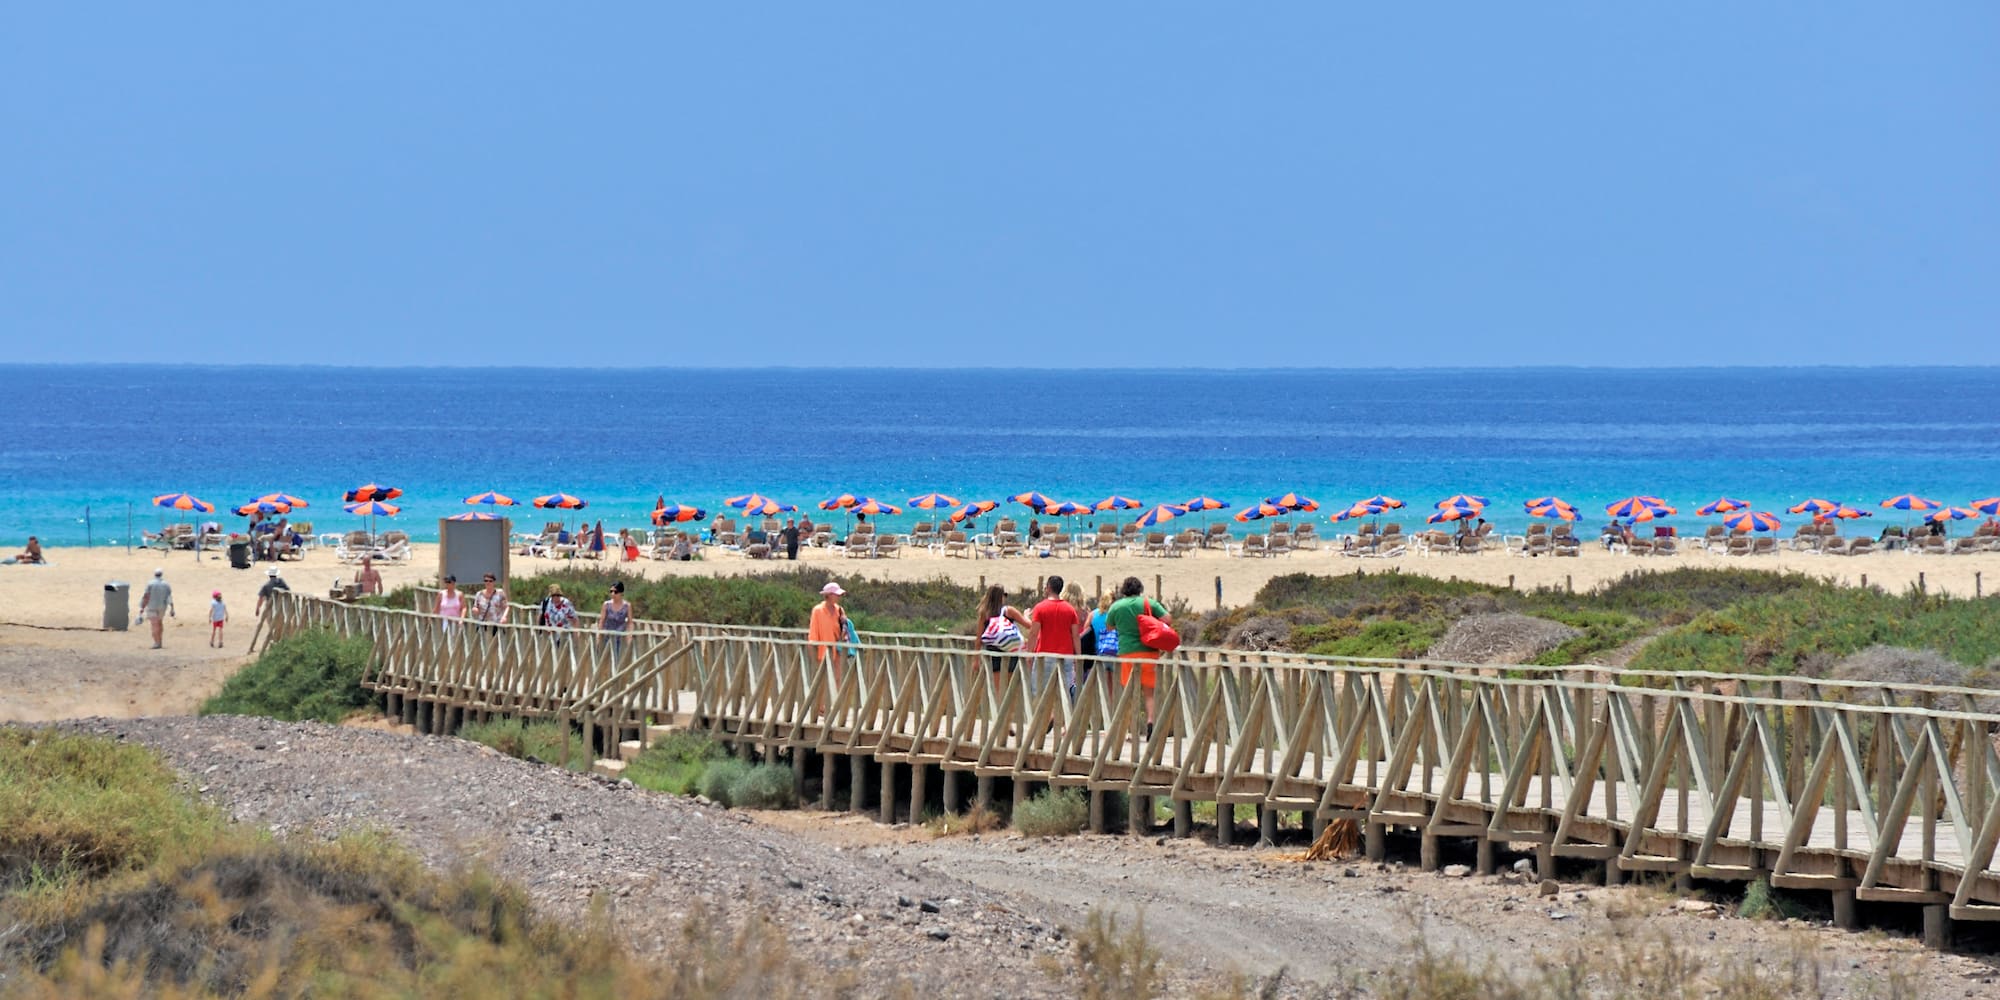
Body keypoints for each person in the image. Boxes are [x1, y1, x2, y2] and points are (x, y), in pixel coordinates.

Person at [1107, 576, 1171, 730]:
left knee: (1128, 691)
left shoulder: (1117, 606)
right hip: (1149, 651)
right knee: (1149, 691)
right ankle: (1151, 721)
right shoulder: (1148, 603)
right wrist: (1153, 626)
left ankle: (1129, 728)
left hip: (1127, 652)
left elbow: (1109, 627)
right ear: (1140, 589)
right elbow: (1167, 619)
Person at [1026, 575, 1083, 702]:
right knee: (1064, 694)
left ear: (1048, 588)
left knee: (1039, 692)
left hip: (1044, 655)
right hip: (1066, 656)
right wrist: (1078, 656)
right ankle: (1060, 720)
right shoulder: (1070, 609)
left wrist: (1029, 654)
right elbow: (1075, 635)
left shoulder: (1040, 608)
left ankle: (1044, 720)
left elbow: (1033, 633)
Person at [975, 584, 1031, 683]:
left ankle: (997, 699)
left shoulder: (984, 613)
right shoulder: (1009, 611)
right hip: (1010, 650)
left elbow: (979, 638)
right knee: (1010, 686)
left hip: (992, 651)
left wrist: (976, 659)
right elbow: (1029, 625)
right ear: (1001, 596)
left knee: (996, 687)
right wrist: (1026, 615)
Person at [808, 581, 849, 678]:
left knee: (837, 682)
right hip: (822, 654)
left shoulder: (839, 610)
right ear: (829, 595)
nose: (839, 597)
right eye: (836, 594)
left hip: (837, 655)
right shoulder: (817, 610)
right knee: (822, 683)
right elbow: (813, 632)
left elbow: (843, 632)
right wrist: (813, 652)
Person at [138, 568, 174, 649]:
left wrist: (142, 607)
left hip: (152, 607)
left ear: (154, 574)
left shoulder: (150, 584)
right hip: (162, 607)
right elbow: (169, 597)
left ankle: (156, 642)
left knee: (154, 625)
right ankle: (160, 641)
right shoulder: (166, 584)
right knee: (160, 623)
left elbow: (146, 596)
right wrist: (172, 608)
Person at [600, 580, 631, 656]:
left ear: (621, 593)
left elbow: (630, 622)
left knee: (617, 657)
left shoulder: (627, 606)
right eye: (611, 591)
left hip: (620, 637)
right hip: (607, 636)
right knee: (605, 658)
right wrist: (599, 635)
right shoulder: (606, 604)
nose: (613, 594)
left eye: (615, 592)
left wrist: (629, 635)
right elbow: (602, 620)